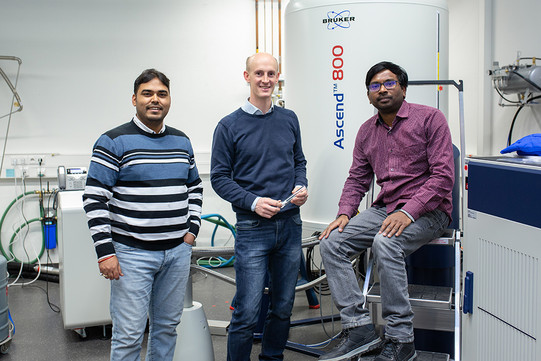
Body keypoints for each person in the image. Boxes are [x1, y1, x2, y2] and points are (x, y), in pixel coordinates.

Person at [318, 61, 454, 361]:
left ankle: (401, 339)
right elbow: (357, 178)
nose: (382, 90)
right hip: (386, 208)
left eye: (389, 83)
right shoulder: (367, 131)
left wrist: (408, 212)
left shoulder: (431, 119)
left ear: (403, 88)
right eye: (375, 85)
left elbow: (443, 177)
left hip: (429, 210)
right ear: (368, 95)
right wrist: (345, 212)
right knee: (330, 242)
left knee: (386, 241)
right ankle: (359, 328)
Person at [83, 69, 203, 361]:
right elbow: (94, 198)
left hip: (176, 253)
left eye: (162, 94)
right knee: (129, 336)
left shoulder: (181, 142)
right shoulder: (113, 142)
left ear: (169, 99)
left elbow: (195, 187)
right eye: (148, 93)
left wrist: (192, 232)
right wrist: (105, 252)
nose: (155, 100)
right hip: (131, 255)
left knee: (166, 330)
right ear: (134, 99)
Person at [210, 52, 308, 361]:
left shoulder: (289, 118)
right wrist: (253, 202)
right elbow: (219, 178)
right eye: (259, 74)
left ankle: (272, 357)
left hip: (290, 226)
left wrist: (301, 185)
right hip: (253, 229)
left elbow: (299, 162)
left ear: (278, 77)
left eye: (271, 74)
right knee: (247, 311)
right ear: (247, 77)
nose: (266, 79)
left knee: (282, 306)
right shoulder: (228, 126)